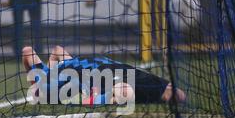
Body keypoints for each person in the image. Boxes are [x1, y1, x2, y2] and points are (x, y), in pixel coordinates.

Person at [22, 45, 186, 105]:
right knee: (175, 94)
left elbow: (51, 50)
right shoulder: (50, 87)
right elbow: (86, 99)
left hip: (110, 70)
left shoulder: (48, 83)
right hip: (108, 73)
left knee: (176, 94)